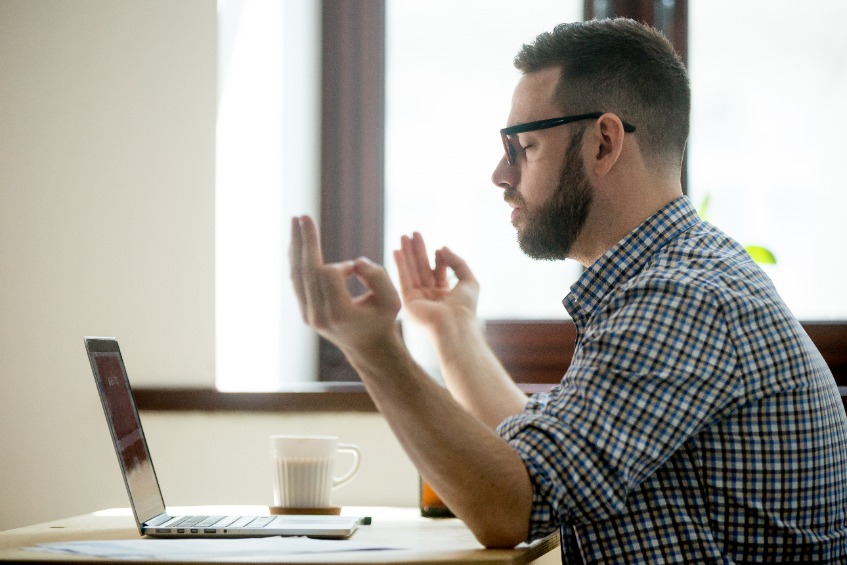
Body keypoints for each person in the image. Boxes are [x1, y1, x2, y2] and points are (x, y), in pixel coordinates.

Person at [289, 17, 847, 563]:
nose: (500, 176)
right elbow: (546, 464)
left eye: (524, 147)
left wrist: (373, 349)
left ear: (604, 143)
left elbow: (514, 506)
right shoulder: (682, 275)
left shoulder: (681, 297)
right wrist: (452, 335)